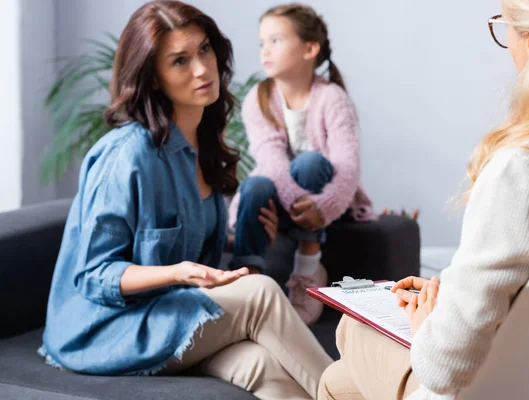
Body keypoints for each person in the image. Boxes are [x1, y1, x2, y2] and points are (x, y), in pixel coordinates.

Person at [38, 2, 332, 399]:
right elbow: (94, 275)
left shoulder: (203, 146)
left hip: (173, 313)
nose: (200, 69)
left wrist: (232, 238)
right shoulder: (126, 155)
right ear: (154, 78)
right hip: (106, 329)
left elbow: (178, 240)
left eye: (204, 50)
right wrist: (179, 272)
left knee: (260, 365)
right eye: (179, 61)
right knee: (260, 294)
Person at [319, 0, 529, 398]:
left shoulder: (526, 169)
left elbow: (444, 369)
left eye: (504, 24)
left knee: (354, 326)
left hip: (491, 389)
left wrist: (425, 324)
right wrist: (451, 293)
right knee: (336, 383)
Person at [228, 3, 376, 325]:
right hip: (286, 198)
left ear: (309, 49)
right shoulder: (259, 97)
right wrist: (295, 201)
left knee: (309, 163)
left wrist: (321, 208)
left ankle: (308, 267)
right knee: (254, 185)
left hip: (320, 202)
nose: (265, 50)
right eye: (262, 43)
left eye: (276, 41)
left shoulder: (332, 98)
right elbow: (269, 158)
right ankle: (247, 277)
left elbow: (347, 166)